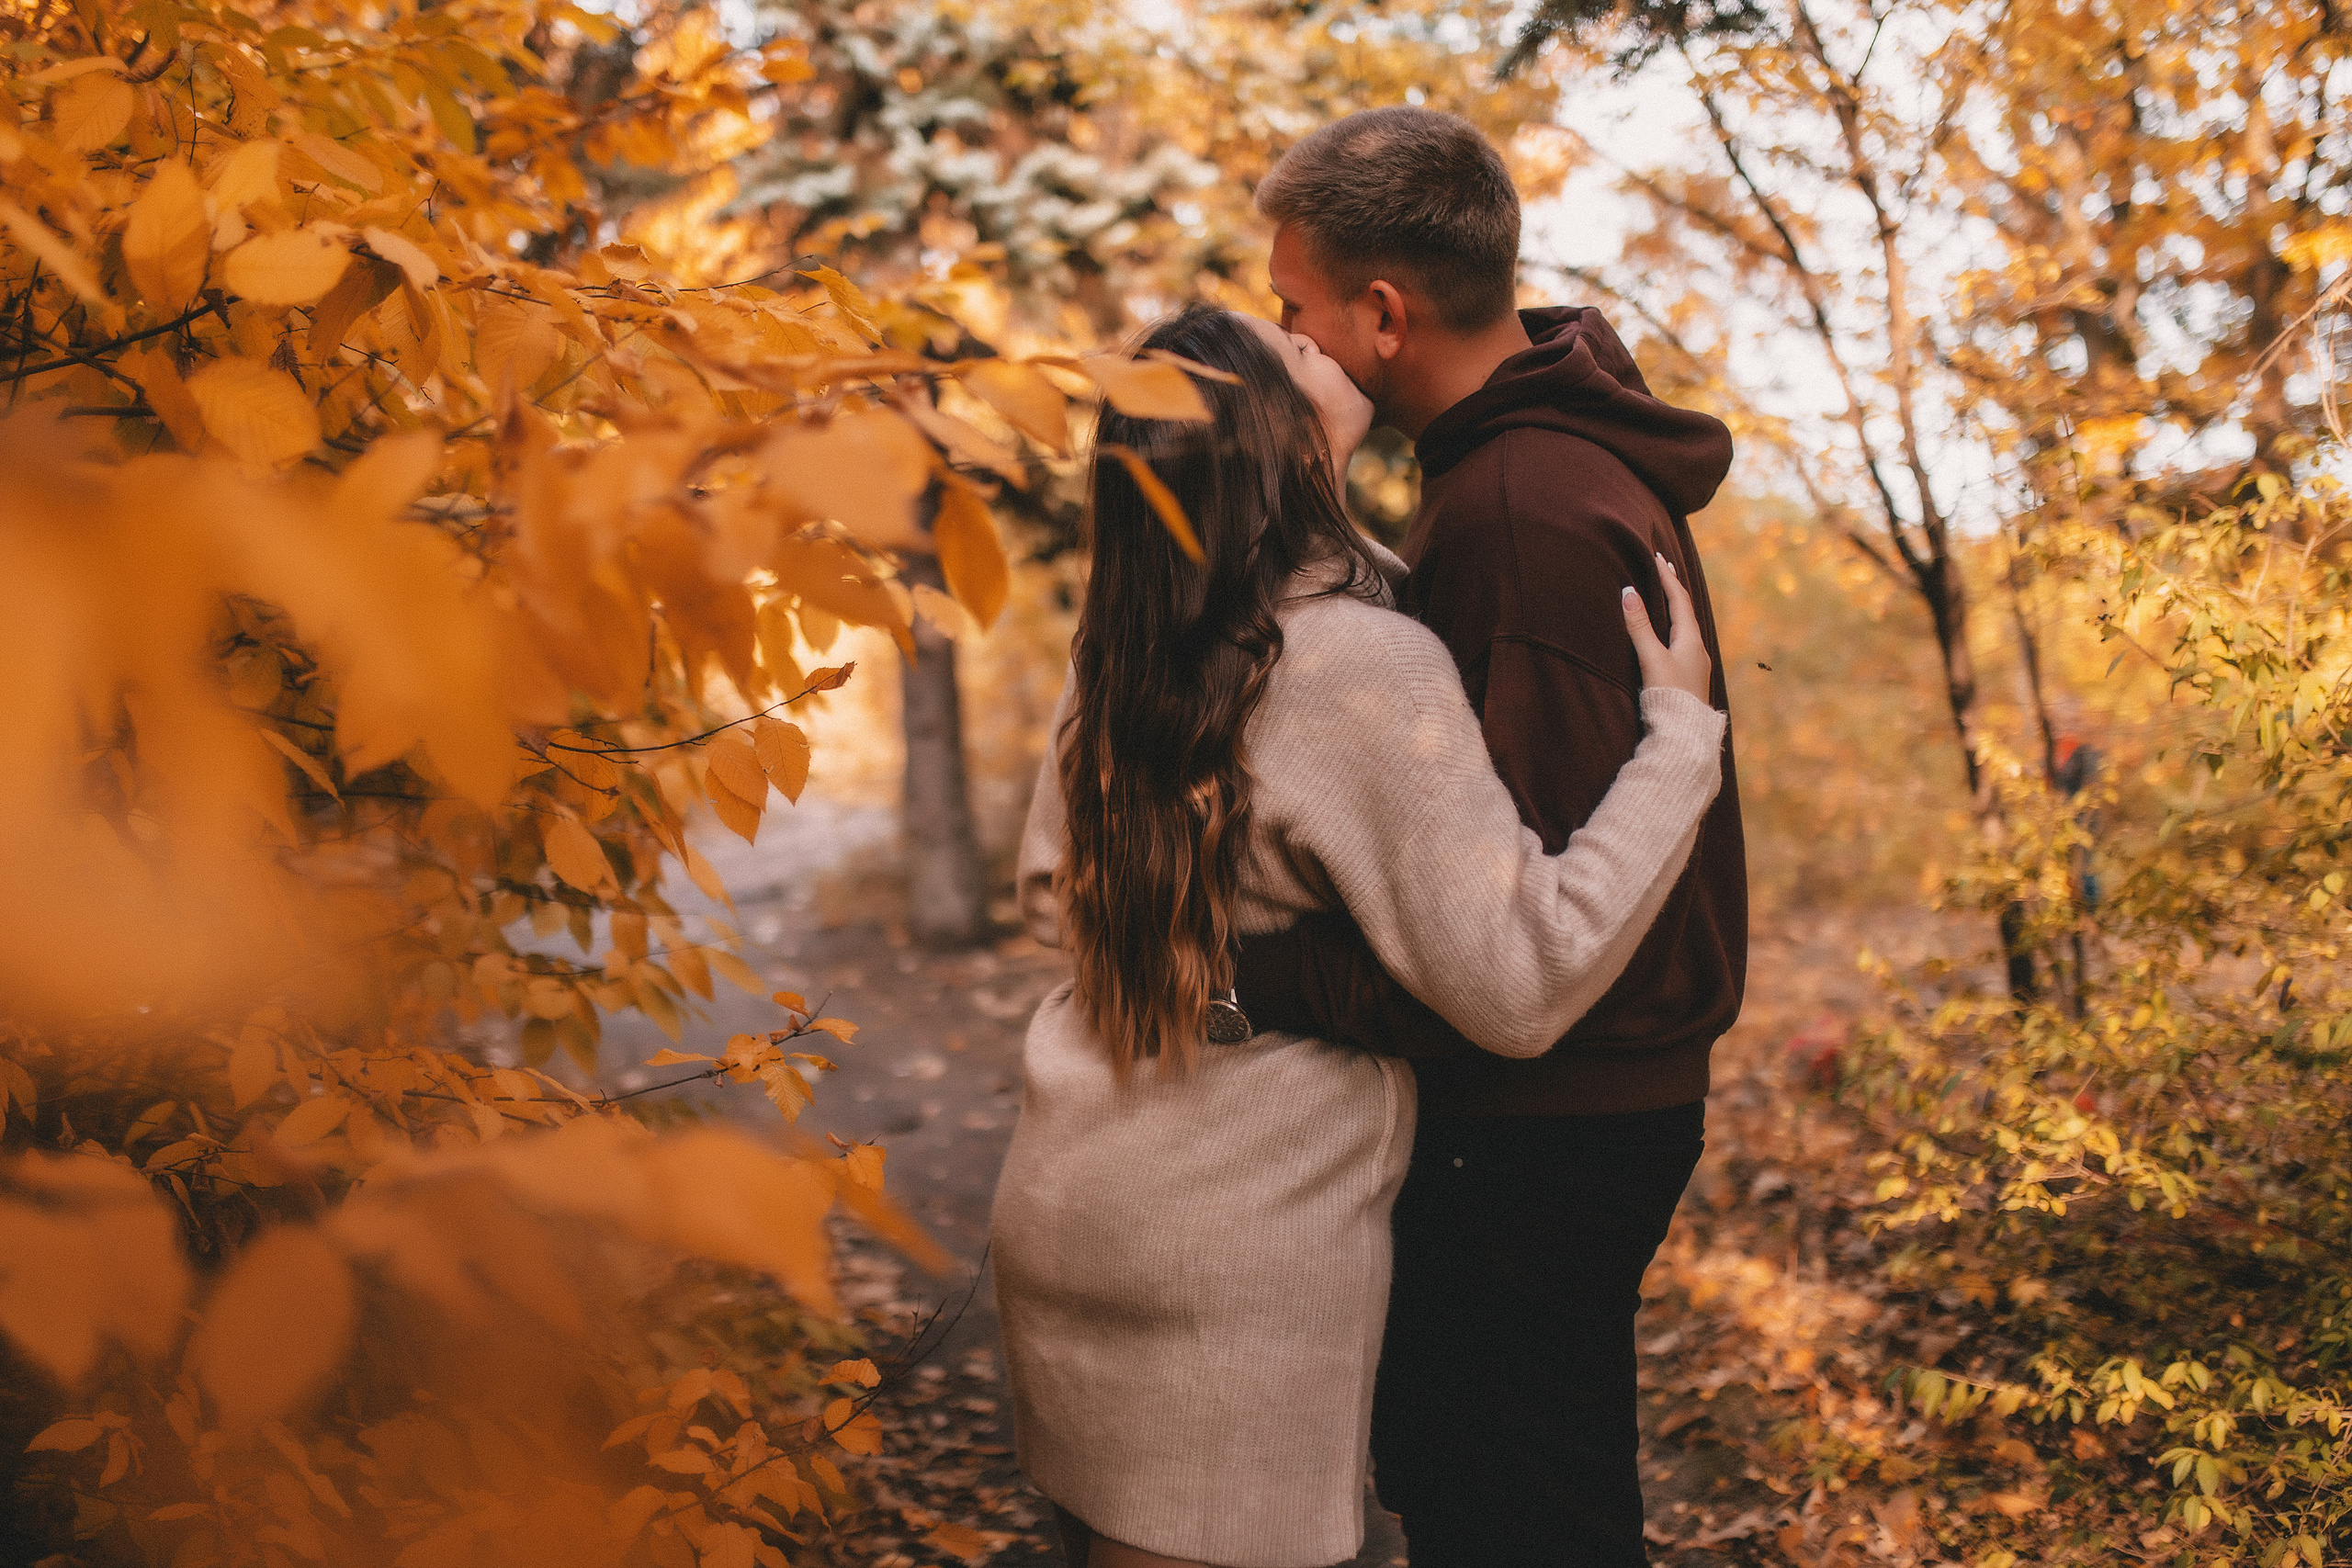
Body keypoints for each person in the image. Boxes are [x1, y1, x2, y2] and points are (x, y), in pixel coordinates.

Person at [988, 300, 1726, 1568]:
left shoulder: (1121, 649)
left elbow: (1049, 886)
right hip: (1231, 1255)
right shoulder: (1362, 670)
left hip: (1069, 1202)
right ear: (1279, 440)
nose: (1313, 340)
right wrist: (1680, 742)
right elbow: (1523, 981)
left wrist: (1211, 961)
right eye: (1289, 350)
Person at [1236, 107, 1747, 1567]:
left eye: (1295, 307)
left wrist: (1247, 975)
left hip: (1541, 1128)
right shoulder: (1531, 464)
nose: (1288, 339)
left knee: (1513, 1517)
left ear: (1382, 315)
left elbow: (1511, 951)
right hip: (1573, 1109)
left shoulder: (1516, 507)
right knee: (1511, 1490)